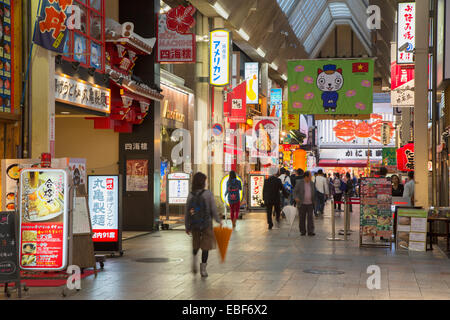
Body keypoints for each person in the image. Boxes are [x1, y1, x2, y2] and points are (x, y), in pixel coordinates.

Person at [185, 172, 221, 277]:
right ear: (203, 182)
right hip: (206, 224)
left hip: (194, 224)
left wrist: (187, 226)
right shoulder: (208, 194)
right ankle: (203, 269)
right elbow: (213, 209)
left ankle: (194, 259)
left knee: (195, 243)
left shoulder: (190, 195)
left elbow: (187, 211)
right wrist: (218, 220)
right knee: (205, 246)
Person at [294, 171, 316, 236]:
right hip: (302, 203)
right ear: (306, 177)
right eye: (310, 176)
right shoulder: (299, 183)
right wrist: (296, 198)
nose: (311, 177)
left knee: (310, 218)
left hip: (310, 203)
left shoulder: (312, 183)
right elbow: (295, 191)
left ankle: (310, 231)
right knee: (302, 218)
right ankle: (302, 231)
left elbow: (313, 192)